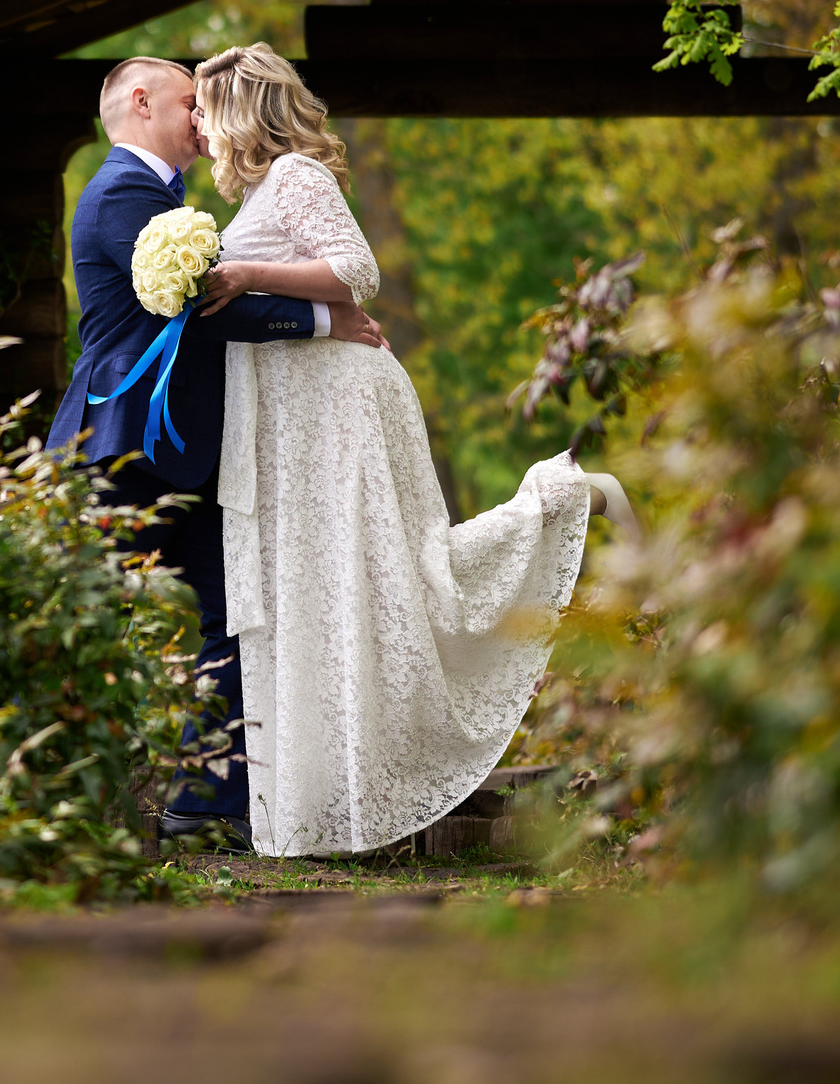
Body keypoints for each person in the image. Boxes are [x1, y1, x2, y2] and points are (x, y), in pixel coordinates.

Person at [191, 42, 635, 858]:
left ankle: (564, 495)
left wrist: (247, 270)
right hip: (297, 421)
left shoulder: (296, 175)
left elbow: (357, 271)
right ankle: (332, 801)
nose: (199, 130)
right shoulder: (261, 189)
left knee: (396, 573)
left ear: (239, 110)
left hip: (341, 406)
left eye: (204, 111)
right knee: (338, 592)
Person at [49, 57, 389, 853]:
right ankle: (56, 800)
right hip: (124, 443)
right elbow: (198, 308)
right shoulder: (123, 194)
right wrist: (321, 321)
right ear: (140, 102)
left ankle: (203, 803)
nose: (201, 117)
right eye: (186, 102)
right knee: (96, 621)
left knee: (233, 617)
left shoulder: (165, 197)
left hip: (177, 446)